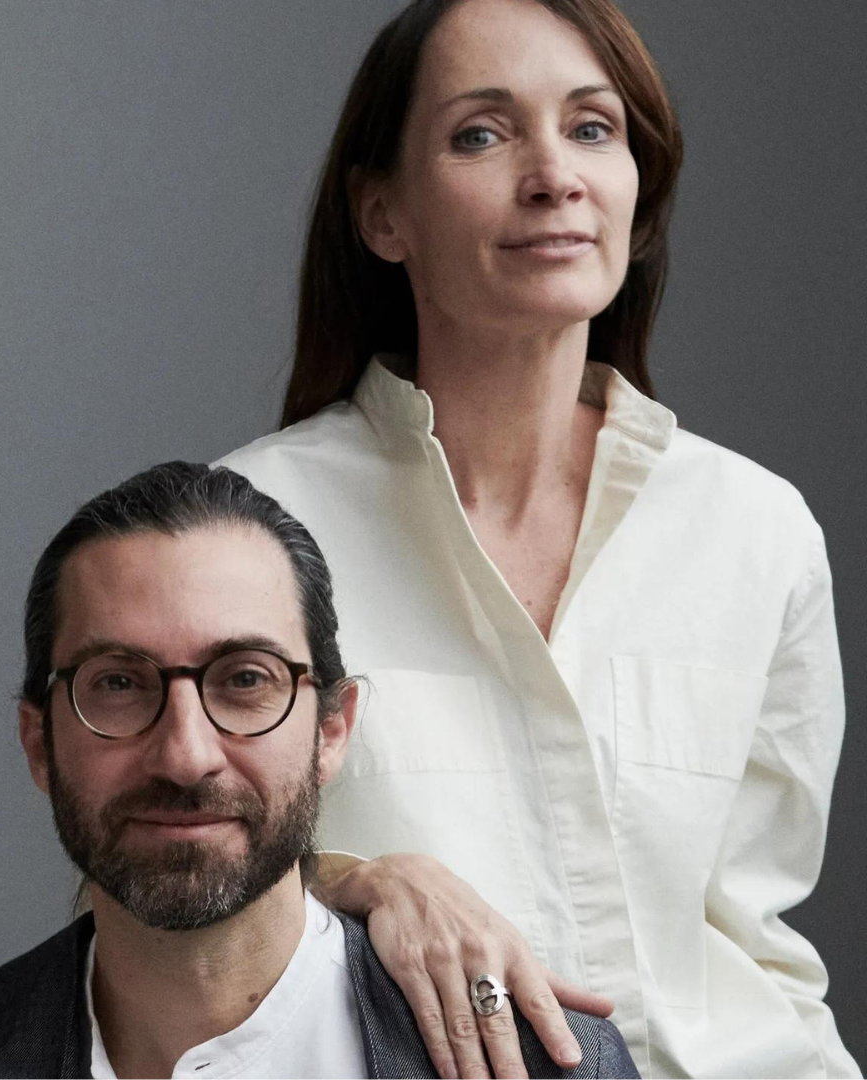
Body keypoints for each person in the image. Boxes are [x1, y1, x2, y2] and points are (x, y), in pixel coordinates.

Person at [216, 0, 860, 1077]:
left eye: (592, 128)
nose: (555, 174)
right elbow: (143, 892)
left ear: (637, 196)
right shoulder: (245, 528)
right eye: (481, 133)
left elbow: (757, 943)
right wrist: (358, 883)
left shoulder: (756, 530)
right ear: (383, 213)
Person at [0, 463, 637, 1079]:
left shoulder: (548, 1069)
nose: (185, 755)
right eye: (119, 684)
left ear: (332, 730)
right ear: (39, 741)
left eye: (245, 679)